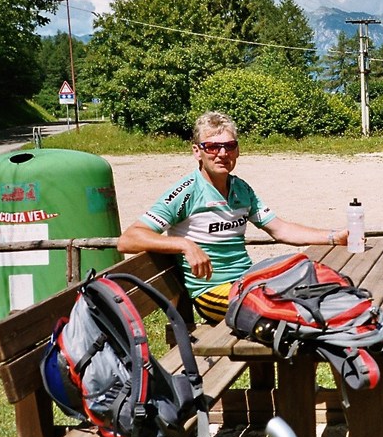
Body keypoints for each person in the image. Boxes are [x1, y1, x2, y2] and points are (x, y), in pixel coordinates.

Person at [117, 110, 348, 322]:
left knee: (320, 289)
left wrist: (333, 237)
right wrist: (184, 245)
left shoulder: (241, 189)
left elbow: (280, 229)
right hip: (212, 292)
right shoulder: (187, 192)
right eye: (212, 147)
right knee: (295, 314)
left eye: (229, 146)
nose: (222, 153)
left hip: (247, 281)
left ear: (237, 150)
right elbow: (128, 239)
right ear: (197, 151)